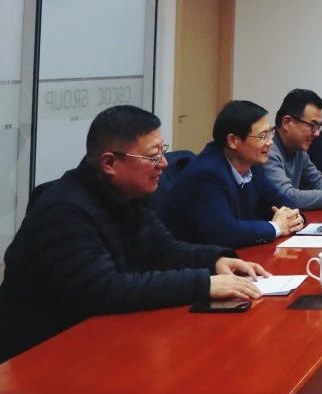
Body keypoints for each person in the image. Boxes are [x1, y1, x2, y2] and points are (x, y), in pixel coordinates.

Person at [0, 105, 267, 363]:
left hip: (103, 338)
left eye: (163, 151)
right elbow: (106, 289)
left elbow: (164, 251)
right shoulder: (63, 211)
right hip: (41, 353)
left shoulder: (130, 194)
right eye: (152, 156)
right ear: (109, 163)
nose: (164, 163)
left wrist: (215, 261)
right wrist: (204, 284)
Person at [162, 100, 305, 248]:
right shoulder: (207, 173)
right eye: (262, 136)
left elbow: (282, 202)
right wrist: (276, 227)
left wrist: (294, 218)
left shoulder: (253, 165)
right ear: (233, 141)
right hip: (191, 258)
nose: (270, 142)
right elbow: (224, 232)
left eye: (270, 134)